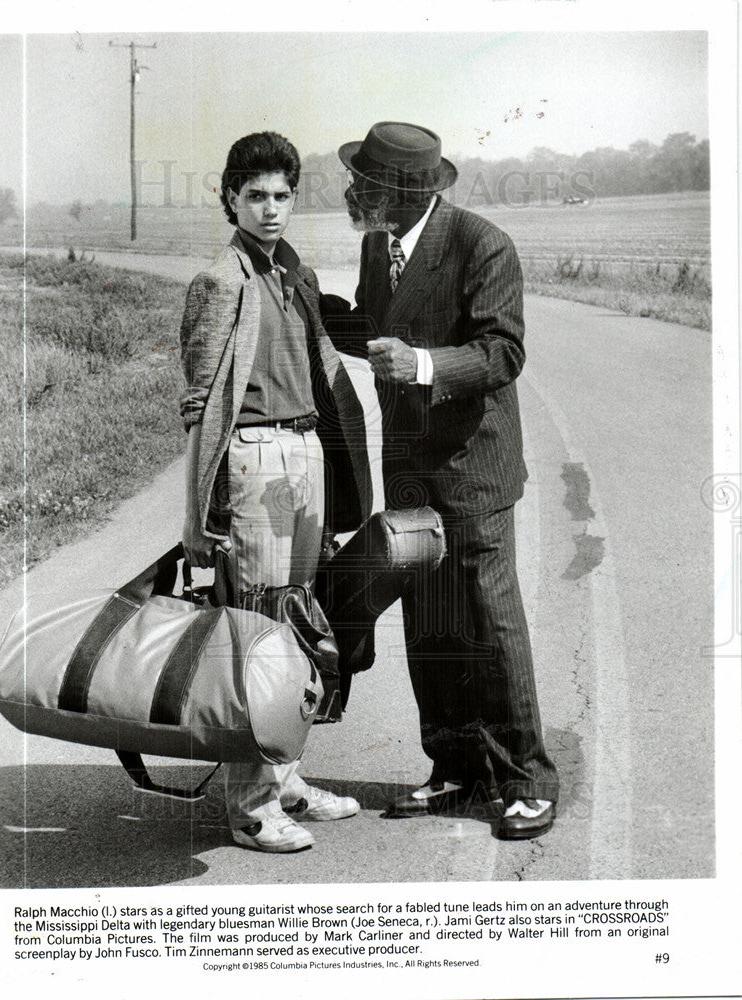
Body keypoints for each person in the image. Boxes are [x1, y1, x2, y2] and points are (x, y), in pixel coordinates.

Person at [321, 122, 559, 839]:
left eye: (364, 184)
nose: (352, 193)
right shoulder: (376, 244)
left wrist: (423, 366)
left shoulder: (480, 243)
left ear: (401, 190)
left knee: (489, 621)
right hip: (412, 472)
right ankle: (455, 771)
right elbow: (378, 330)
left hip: (474, 473)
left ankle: (526, 778)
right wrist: (314, 306)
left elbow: (502, 351)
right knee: (430, 624)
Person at [179, 131, 372, 853]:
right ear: (229, 198)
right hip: (254, 456)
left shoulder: (293, 274)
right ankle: (253, 808)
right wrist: (197, 515)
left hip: (305, 451)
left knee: (297, 627)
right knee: (253, 634)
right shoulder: (219, 280)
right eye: (255, 195)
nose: (269, 208)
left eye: (282, 195)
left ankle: (287, 781)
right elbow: (199, 404)